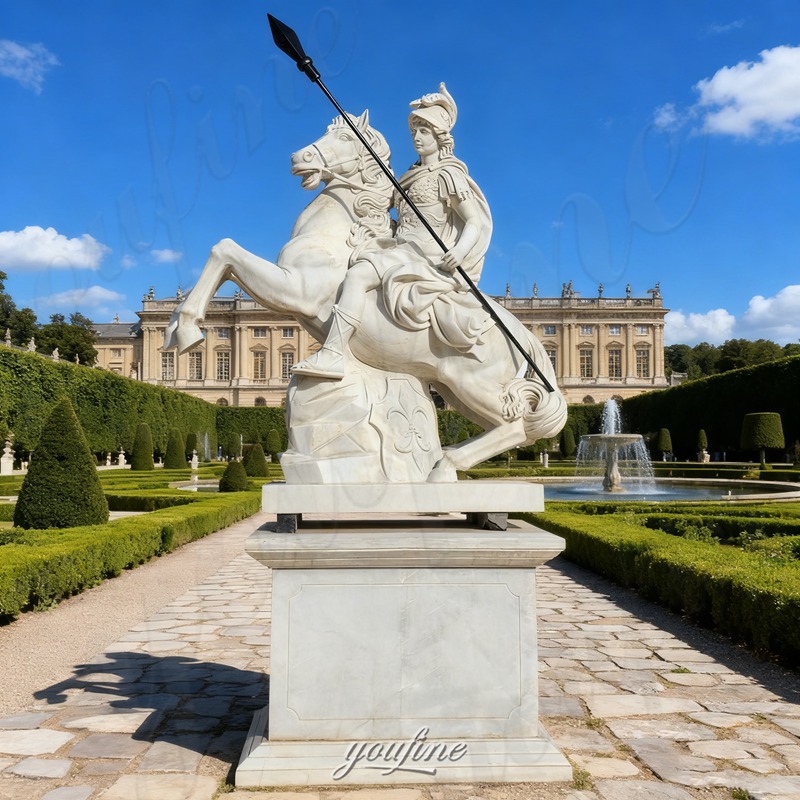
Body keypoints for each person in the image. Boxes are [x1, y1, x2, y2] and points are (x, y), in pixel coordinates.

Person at [292, 83, 492, 380]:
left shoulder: (449, 174)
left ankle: (334, 353)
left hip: (428, 255)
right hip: (399, 247)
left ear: (439, 136)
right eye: (415, 132)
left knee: (359, 275)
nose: (417, 138)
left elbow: (473, 221)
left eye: (424, 132)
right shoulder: (407, 178)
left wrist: (460, 252)